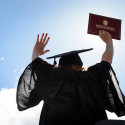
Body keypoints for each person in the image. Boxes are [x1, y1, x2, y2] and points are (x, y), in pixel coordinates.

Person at [16, 30, 125, 125]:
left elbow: (35, 60)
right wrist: (109, 41)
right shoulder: (93, 76)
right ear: (80, 64)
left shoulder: (50, 76)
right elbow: (107, 59)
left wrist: (36, 52)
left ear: (59, 65)